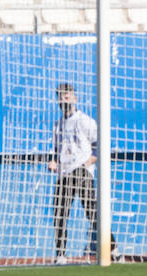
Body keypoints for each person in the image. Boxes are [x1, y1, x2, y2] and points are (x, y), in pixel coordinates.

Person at [47, 83, 114, 263]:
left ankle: (113, 250)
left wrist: (87, 163)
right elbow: (57, 150)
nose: (65, 97)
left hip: (82, 172)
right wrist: (53, 162)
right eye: (62, 94)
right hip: (64, 173)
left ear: (75, 97)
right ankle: (60, 254)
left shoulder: (85, 121)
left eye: (69, 94)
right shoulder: (57, 125)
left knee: (93, 213)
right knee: (59, 213)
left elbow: (100, 145)